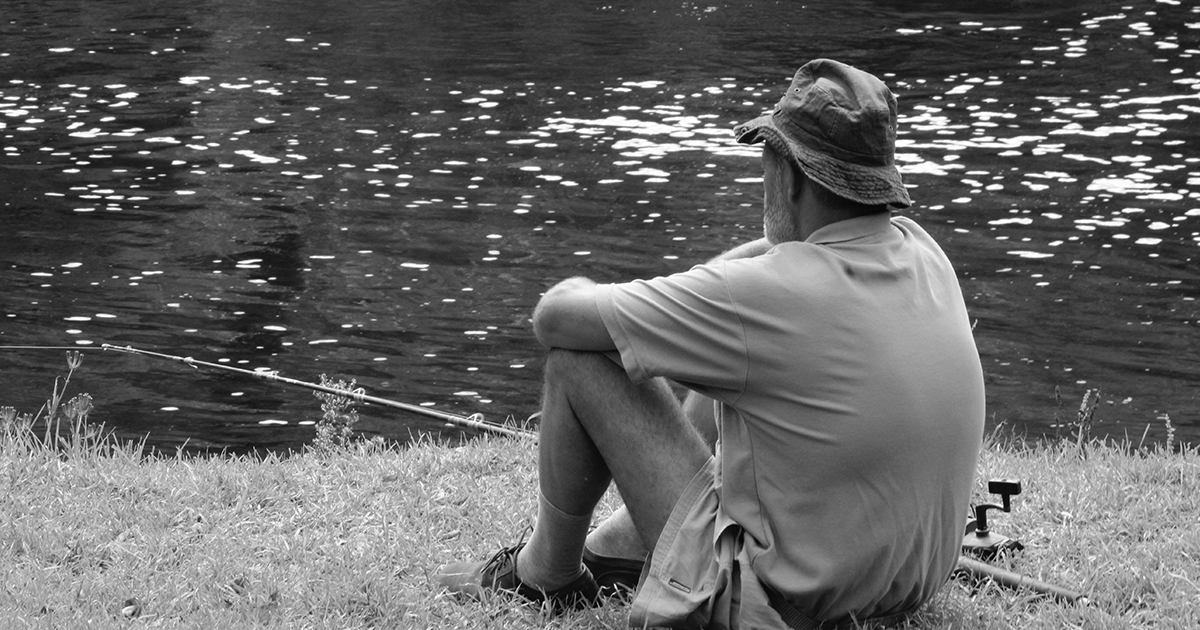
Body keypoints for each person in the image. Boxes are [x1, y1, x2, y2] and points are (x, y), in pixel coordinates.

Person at [436, 58, 985, 629]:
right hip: (901, 589)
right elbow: (766, 291)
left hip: (774, 605)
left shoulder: (769, 295)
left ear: (791, 175)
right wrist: (730, 278)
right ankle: (621, 549)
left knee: (578, 362)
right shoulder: (924, 253)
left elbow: (556, 318)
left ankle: (546, 575)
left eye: (767, 156)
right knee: (723, 373)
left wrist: (632, 286)